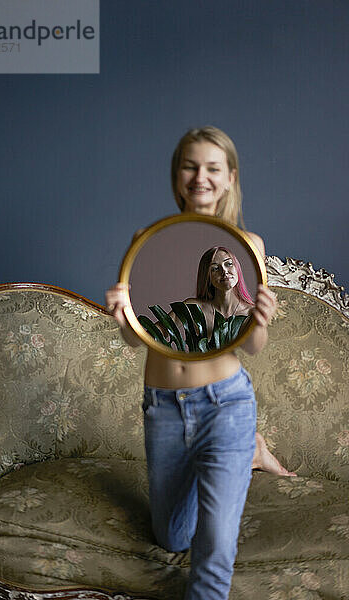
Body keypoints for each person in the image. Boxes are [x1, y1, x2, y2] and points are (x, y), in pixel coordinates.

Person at [105, 126, 294, 600]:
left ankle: (242, 446)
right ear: (177, 176)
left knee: (213, 550)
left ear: (229, 177)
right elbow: (134, 339)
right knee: (172, 536)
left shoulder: (249, 244)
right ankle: (250, 450)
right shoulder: (147, 241)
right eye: (191, 166)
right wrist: (122, 315)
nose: (200, 177)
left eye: (213, 167)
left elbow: (253, 346)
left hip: (225, 404)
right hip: (164, 408)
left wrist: (262, 320)